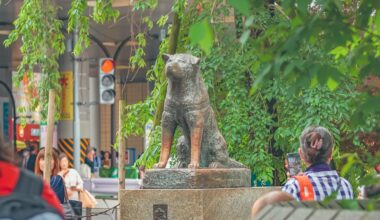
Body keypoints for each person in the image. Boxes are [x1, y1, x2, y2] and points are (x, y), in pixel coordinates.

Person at [252, 126, 354, 218]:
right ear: (331, 153)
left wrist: (297, 182)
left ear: (301, 154)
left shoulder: (295, 187)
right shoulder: (345, 185)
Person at [0, 137, 63, 219]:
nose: (46, 162)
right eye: (42, 159)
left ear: (55, 162)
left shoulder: (47, 182)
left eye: (49, 159)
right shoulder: (34, 182)